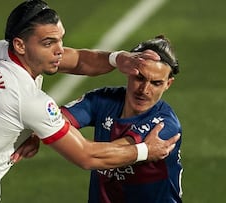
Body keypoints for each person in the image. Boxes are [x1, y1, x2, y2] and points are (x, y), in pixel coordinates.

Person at [0, 0, 180, 202]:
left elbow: (78, 59)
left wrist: (116, 59)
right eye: (49, 43)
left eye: (60, 39)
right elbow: (87, 156)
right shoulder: (27, 99)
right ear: (21, 45)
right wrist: (146, 150)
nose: (59, 49)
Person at [61, 35, 183, 203]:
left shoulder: (165, 126)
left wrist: (48, 132)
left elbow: (100, 156)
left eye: (156, 83)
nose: (144, 90)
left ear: (168, 84)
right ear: (128, 72)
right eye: (139, 78)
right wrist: (36, 134)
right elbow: (56, 121)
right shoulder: (103, 99)